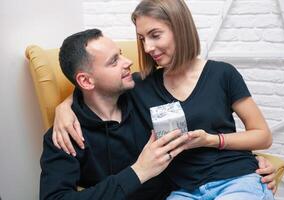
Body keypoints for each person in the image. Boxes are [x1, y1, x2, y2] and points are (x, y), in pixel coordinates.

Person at [53, 0, 277, 198]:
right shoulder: (140, 85)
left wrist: (212, 140)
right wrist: (63, 108)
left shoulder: (222, 74)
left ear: (179, 28)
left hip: (234, 178)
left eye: (155, 35)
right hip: (183, 190)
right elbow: (98, 90)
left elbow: (263, 135)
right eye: (142, 39)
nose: (147, 47)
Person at [40, 29, 190, 200]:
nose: (128, 62)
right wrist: (139, 171)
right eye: (114, 61)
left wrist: (65, 104)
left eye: (120, 54)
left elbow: (190, 72)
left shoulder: (141, 87)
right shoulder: (65, 134)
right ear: (86, 81)